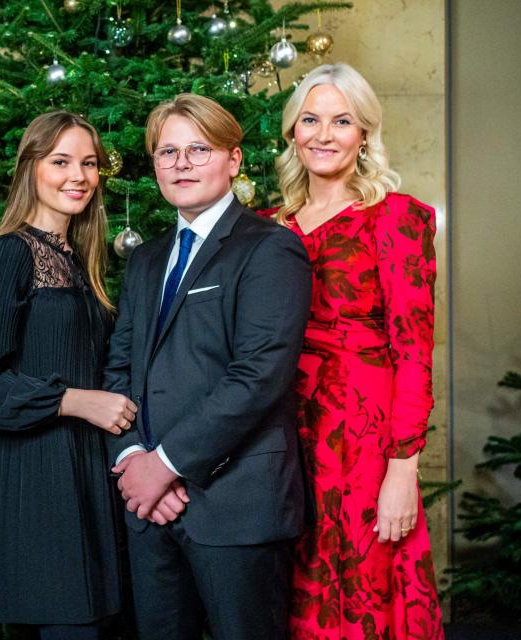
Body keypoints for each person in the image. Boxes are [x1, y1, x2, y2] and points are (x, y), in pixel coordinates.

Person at [103, 93, 313, 640]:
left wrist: (166, 464)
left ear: (233, 159)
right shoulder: (147, 259)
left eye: (199, 149)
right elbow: (119, 368)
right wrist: (132, 462)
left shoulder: (269, 249)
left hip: (235, 504)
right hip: (149, 507)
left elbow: (258, 375)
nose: (181, 163)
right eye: (167, 152)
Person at [272, 63, 444, 638]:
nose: (323, 134)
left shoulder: (396, 219)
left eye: (341, 121)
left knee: (367, 580)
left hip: (364, 438)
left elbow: (414, 350)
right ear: (293, 131)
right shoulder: (271, 226)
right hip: (284, 433)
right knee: (295, 583)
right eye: (311, 119)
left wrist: (403, 469)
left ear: (364, 133)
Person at [0, 111, 135, 640]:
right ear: (30, 167)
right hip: (34, 480)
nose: (78, 175)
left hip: (84, 475)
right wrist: (77, 401)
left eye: (89, 163)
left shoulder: (79, 260)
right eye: (61, 161)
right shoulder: (5, 255)